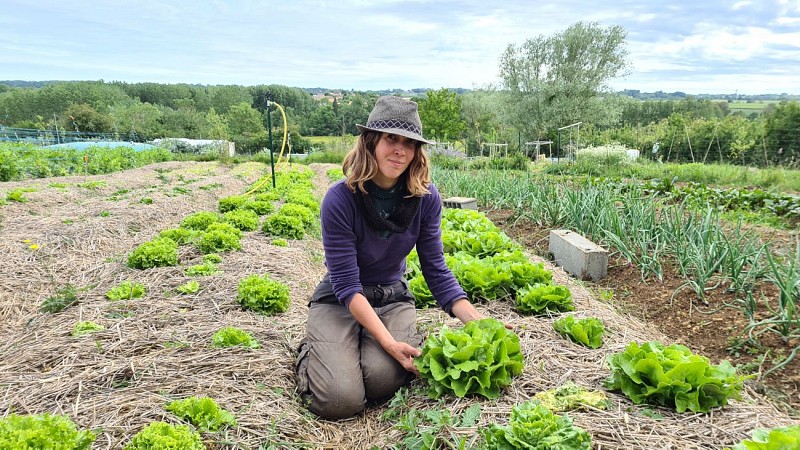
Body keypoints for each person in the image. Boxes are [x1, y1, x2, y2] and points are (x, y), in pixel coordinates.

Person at [295, 96, 494, 420]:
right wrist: (388, 343)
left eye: (410, 142)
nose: (400, 150)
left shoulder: (425, 197)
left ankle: (354, 348)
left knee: (381, 383)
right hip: (340, 299)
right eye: (391, 138)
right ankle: (315, 352)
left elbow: (435, 269)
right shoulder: (340, 199)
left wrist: (481, 323)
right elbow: (347, 285)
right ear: (371, 141)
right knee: (340, 401)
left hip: (390, 296)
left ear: (417, 150)